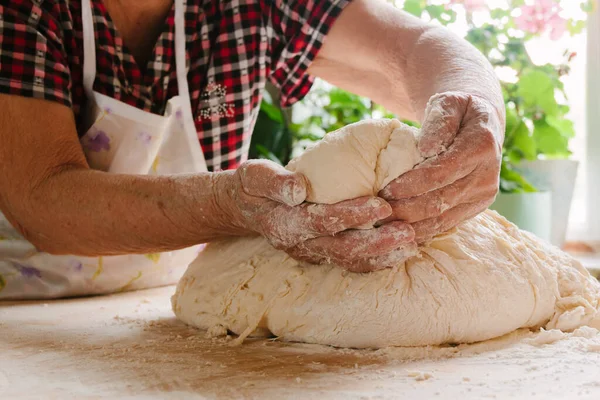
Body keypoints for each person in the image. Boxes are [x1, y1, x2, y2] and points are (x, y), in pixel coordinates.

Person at [0, 0, 504, 299]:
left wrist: (475, 105)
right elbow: (41, 198)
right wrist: (231, 204)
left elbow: (411, 47)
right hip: (20, 318)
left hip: (167, 306)